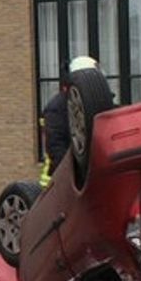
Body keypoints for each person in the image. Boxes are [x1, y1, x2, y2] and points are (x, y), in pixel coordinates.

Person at [39, 55, 98, 187]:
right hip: (59, 182)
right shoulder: (57, 108)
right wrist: (77, 176)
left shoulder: (97, 103)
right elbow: (56, 148)